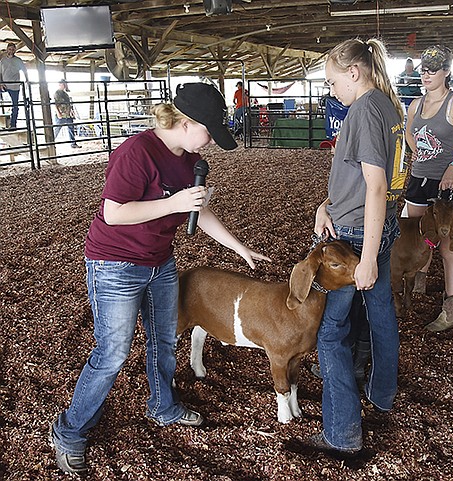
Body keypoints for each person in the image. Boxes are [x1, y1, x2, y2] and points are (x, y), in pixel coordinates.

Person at [49, 82, 271, 475]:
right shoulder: (135, 153)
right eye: (208, 132)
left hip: (159, 262)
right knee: (113, 352)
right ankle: (69, 431)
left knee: (164, 339)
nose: (210, 142)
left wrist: (238, 248)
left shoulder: (190, 160)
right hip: (115, 263)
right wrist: (172, 203)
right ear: (186, 122)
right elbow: (115, 213)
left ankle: (162, 405)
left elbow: (196, 211)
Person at [305, 37, 403, 457]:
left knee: (329, 333)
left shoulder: (362, 109)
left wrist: (365, 259)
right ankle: (381, 394)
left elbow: (376, 185)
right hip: (373, 226)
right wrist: (327, 203)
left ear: (353, 72)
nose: (331, 91)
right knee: (380, 313)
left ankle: (342, 432)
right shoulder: (386, 103)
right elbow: (363, 179)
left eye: (331, 82)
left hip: (357, 235)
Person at [404, 45, 453, 332]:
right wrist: (419, 153)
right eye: (424, 69)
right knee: (419, 236)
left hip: (446, 183)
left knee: (448, 246)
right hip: (419, 179)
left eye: (432, 69)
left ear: (446, 71)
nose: (426, 74)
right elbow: (410, 133)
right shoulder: (416, 104)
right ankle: (418, 289)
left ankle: (451, 310)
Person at [0, 42, 28, 129]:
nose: (11, 51)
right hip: (5, 85)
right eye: (9, 49)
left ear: (15, 50)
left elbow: (24, 70)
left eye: (13, 49)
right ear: (7, 49)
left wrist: (27, 79)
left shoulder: (18, 60)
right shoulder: (2, 61)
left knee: (15, 106)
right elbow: (0, 73)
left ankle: (13, 125)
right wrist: (1, 83)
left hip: (15, 86)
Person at [53, 80, 81, 148]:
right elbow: (55, 104)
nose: (64, 85)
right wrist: (58, 113)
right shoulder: (57, 93)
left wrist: (71, 111)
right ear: (60, 84)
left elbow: (69, 104)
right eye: (63, 84)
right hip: (61, 114)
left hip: (67, 114)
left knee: (71, 128)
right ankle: (51, 143)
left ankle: (73, 143)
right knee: (57, 129)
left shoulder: (65, 94)